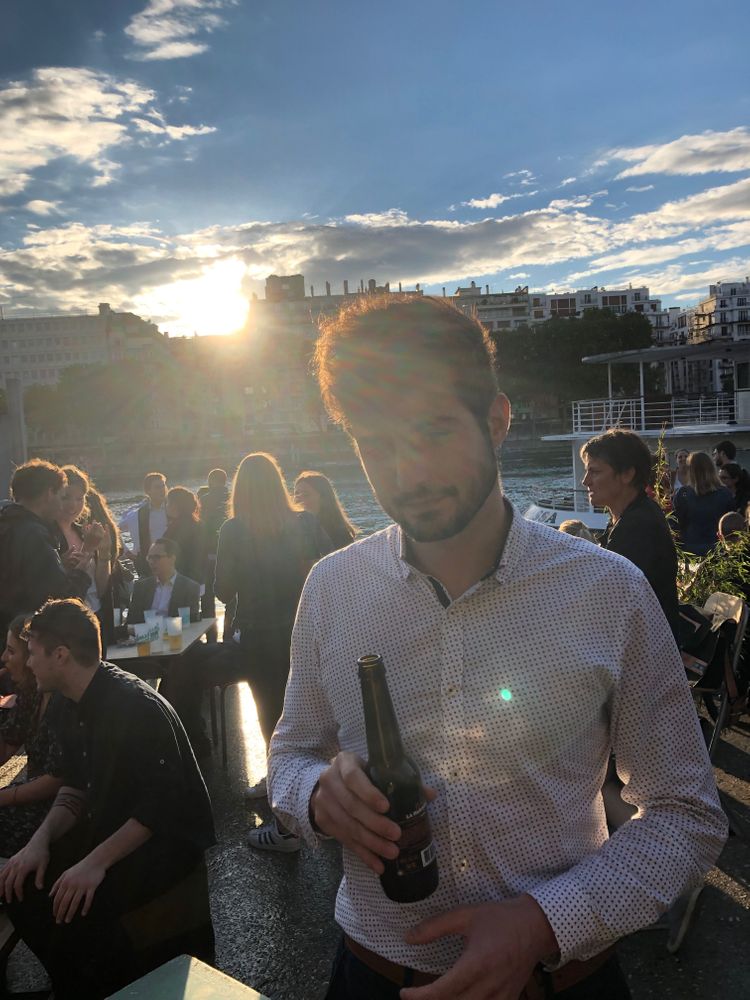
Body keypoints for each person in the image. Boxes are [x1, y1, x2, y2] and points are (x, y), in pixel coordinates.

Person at [269, 295, 726, 1000]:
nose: (408, 471)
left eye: (433, 431)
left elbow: (687, 813)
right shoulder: (332, 588)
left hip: (559, 979)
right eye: (375, 442)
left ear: (498, 419)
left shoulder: (609, 590)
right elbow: (291, 753)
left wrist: (546, 921)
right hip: (371, 973)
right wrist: (316, 797)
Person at [0, 599, 215, 999]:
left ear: (60, 655)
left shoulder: (133, 707)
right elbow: (74, 785)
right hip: (111, 831)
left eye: (32, 653)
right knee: (19, 881)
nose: (27, 664)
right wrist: (38, 843)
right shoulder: (67, 701)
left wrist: (94, 863)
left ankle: (100, 980)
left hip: (163, 851)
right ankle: (75, 981)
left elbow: (162, 807)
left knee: (80, 908)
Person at [213, 453, 331, 840]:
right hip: (303, 631)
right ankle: (321, 799)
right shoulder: (304, 522)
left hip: (258, 635)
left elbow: (222, 590)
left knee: (270, 717)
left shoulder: (233, 530)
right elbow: (320, 573)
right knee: (312, 714)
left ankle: (284, 825)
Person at [582, 429, 680, 640]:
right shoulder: (634, 514)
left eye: (595, 472)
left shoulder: (637, 527)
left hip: (646, 650)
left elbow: (608, 602)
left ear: (627, 474)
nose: (586, 481)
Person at [0, 460, 95, 638]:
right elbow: (60, 605)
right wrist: (81, 570)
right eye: (61, 496)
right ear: (49, 493)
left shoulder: (6, 526)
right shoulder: (34, 535)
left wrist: (60, 567)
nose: (62, 505)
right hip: (26, 642)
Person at [0, 615, 68, 856]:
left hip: (60, 805)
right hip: (26, 787)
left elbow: (56, 779)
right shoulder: (30, 693)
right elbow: (9, 754)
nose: (4, 659)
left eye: (11, 651)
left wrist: (5, 796)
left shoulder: (62, 698)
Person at [55, 466, 114, 646]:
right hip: (67, 626)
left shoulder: (82, 532)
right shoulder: (49, 535)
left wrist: (104, 554)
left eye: (79, 498)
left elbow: (100, 589)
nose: (73, 505)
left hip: (94, 616)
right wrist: (86, 550)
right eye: (66, 498)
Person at [127, 538, 200, 624]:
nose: (151, 562)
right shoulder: (141, 587)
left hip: (175, 634)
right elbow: (131, 621)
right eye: (149, 557)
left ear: (172, 559)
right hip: (146, 635)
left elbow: (192, 623)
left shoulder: (189, 587)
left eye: (157, 557)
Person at [674, 452, 734, 557]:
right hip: (718, 550)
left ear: (691, 470)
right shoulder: (725, 493)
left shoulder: (683, 494)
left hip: (690, 550)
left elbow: (675, 525)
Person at [118, 473, 168, 578]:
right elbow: (114, 529)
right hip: (146, 565)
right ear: (148, 491)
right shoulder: (136, 514)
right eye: (157, 487)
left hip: (171, 563)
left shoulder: (172, 509)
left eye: (163, 485)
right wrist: (126, 552)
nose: (162, 490)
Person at [294, 471, 358, 550]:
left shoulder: (340, 534)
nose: (298, 498)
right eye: (296, 494)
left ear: (323, 498)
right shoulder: (293, 529)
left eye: (306, 494)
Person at [197, 469, 229, 620]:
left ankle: (210, 631)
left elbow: (200, 524)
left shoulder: (204, 500)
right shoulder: (233, 497)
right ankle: (231, 633)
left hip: (209, 552)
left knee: (207, 595)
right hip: (230, 552)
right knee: (233, 594)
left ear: (210, 481)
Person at [165, 486, 208, 591]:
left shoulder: (178, 526)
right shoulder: (197, 523)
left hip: (182, 579)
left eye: (168, 503)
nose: (166, 506)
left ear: (176, 505)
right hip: (197, 577)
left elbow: (173, 553)